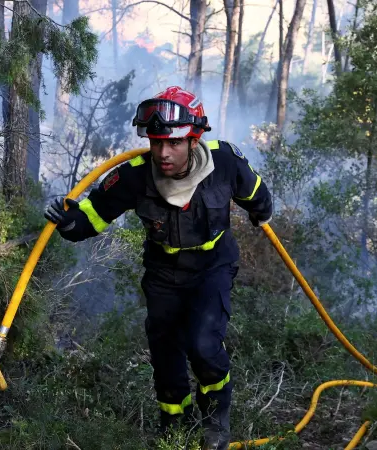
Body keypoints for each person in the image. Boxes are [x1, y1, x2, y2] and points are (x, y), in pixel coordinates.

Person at [44, 86, 273, 449]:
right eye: (156, 142)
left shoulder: (225, 163)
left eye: (174, 143)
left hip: (211, 266)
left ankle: (215, 423)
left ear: (193, 139)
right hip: (163, 273)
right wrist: (67, 221)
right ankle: (173, 423)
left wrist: (261, 211)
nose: (163, 153)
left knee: (203, 344)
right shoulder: (134, 176)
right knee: (165, 350)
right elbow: (90, 218)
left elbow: (258, 195)